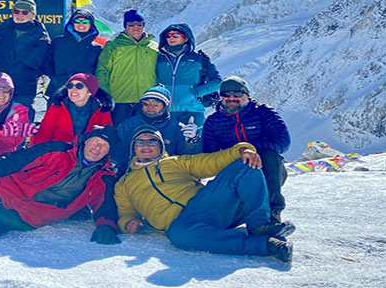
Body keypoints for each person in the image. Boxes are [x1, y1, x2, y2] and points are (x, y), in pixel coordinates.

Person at [115, 126, 294, 263]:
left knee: (244, 164)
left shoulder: (174, 162)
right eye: (140, 143)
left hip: (207, 205)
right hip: (180, 224)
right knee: (179, 237)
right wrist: (127, 223)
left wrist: (241, 150)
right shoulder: (124, 183)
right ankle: (267, 245)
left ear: (160, 146)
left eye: (152, 142)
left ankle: (259, 225)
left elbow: (210, 162)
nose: (146, 146)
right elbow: (125, 211)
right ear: (134, 148)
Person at [202, 76, 291, 222]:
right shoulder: (213, 121)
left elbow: (283, 142)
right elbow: (209, 154)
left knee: (270, 156)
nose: (232, 98)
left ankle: (273, 212)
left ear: (247, 96)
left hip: (265, 166)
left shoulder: (263, 112)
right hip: (235, 167)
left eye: (237, 94)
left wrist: (250, 149)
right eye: (226, 95)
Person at [0, 0, 51, 116]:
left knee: (20, 120)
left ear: (33, 15)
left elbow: (45, 63)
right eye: (16, 11)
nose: (20, 15)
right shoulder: (0, 31)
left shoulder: (41, 38)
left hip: (24, 87)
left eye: (25, 12)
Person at [95, 9, 158, 127]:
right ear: (125, 26)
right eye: (131, 24)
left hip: (148, 101)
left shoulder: (154, 47)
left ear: (143, 26)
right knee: (120, 134)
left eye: (139, 24)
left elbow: (160, 72)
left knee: (144, 135)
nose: (135, 27)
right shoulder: (113, 45)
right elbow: (102, 71)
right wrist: (106, 95)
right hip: (120, 100)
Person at [155, 23, 221, 127]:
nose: (171, 38)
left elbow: (217, 82)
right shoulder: (159, 59)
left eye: (175, 35)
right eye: (168, 36)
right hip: (163, 112)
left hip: (193, 111)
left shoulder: (199, 59)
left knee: (193, 142)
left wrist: (195, 92)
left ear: (186, 38)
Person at [117, 85, 201, 160]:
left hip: (168, 172)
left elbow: (189, 159)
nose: (150, 107)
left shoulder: (178, 128)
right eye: (145, 104)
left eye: (156, 104)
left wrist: (192, 141)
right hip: (134, 171)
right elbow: (120, 152)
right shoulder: (127, 125)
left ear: (167, 106)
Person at [32, 73, 112, 146]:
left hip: (86, 155)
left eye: (79, 86)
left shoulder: (102, 110)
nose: (73, 90)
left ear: (90, 92)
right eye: (70, 86)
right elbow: (44, 134)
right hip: (58, 153)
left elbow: (106, 139)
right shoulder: (57, 107)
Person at [45, 8, 102, 98]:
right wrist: (56, 78)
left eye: (85, 21)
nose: (81, 24)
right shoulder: (59, 42)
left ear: (91, 24)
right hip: (59, 90)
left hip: (84, 93)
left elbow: (99, 71)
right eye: (77, 21)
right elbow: (47, 62)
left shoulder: (96, 48)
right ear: (72, 23)